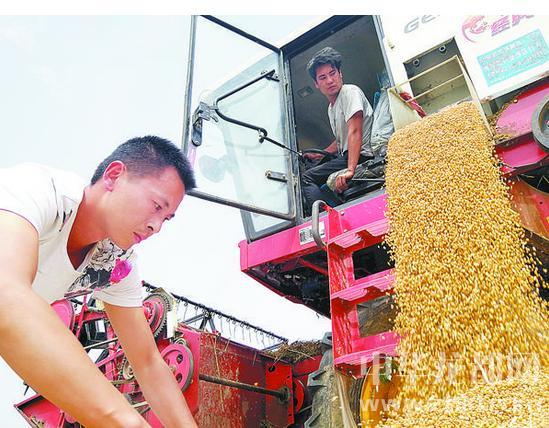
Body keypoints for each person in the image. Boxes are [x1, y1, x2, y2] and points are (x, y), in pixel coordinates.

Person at [0, 136, 198, 427]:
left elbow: (147, 364)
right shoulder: (36, 189)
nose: (156, 226)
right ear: (114, 176)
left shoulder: (114, 261)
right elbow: (6, 295)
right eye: (157, 206)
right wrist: (126, 421)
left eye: (166, 218)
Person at [302, 47, 374, 212]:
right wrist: (321, 154)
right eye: (323, 77)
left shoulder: (349, 92)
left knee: (306, 178)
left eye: (332, 73)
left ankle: (324, 219)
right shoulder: (331, 108)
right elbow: (343, 138)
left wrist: (350, 170)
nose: (329, 80)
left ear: (340, 73)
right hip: (348, 156)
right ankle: (336, 210)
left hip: (362, 155)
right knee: (318, 179)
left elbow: (354, 131)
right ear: (316, 84)